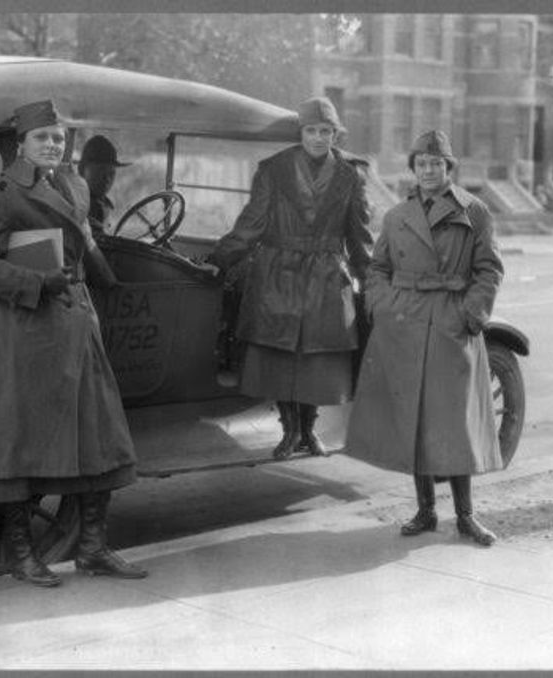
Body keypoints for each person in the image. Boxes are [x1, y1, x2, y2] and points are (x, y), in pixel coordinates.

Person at [0, 100, 147, 586]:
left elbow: (85, 240)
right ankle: (22, 557)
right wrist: (39, 283)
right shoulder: (1, 195)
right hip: (24, 329)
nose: (52, 145)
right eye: (43, 138)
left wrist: (107, 281)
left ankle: (93, 549)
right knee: (21, 445)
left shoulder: (72, 186)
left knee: (101, 435)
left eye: (58, 138)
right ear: (22, 145)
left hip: (75, 322)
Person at [345, 130, 505, 547]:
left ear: (449, 168)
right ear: (413, 169)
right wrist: (382, 304)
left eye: (437, 163)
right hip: (406, 324)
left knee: (453, 423)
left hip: (451, 323)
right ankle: (426, 511)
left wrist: (470, 315)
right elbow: (377, 269)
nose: (430, 170)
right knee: (414, 421)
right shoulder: (397, 217)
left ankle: (466, 516)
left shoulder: (476, 212)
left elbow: (489, 270)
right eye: (422, 164)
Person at [202, 96, 373, 460]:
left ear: (334, 134)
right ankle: (289, 430)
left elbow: (359, 236)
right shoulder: (272, 170)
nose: (318, 137)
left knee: (316, 361)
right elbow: (252, 224)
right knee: (280, 359)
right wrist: (220, 258)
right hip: (278, 273)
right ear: (301, 132)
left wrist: (369, 277)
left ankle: (309, 430)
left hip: (327, 276)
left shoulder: (351, 176)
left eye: (325, 131)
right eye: (311, 130)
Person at [77, 134, 131, 236]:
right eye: (100, 171)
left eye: (111, 173)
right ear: (81, 170)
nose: (107, 178)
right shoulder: (76, 204)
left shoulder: (103, 204)